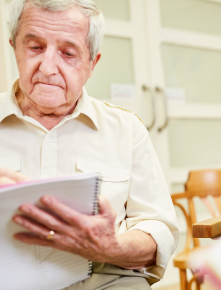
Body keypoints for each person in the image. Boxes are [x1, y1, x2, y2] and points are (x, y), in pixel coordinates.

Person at [0, 0, 178, 288]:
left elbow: (159, 231)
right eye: (35, 47)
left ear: (91, 63)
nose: (47, 67)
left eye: (68, 53)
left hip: (105, 278)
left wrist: (110, 247)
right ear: (14, 48)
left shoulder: (126, 128)